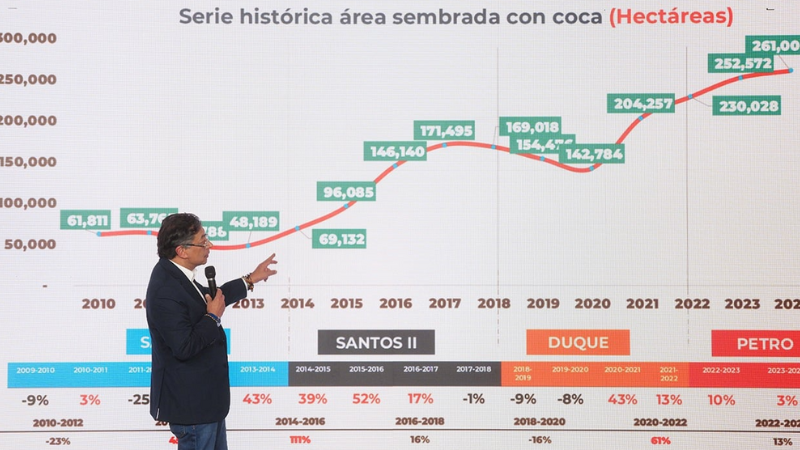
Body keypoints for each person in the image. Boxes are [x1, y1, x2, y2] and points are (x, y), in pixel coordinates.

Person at [145, 213, 277, 450]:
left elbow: (211, 298)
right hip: (193, 408)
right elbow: (184, 347)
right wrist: (212, 317)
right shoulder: (166, 288)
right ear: (182, 251)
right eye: (203, 241)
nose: (210, 246)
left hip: (204, 404)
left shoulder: (177, 276)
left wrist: (250, 279)